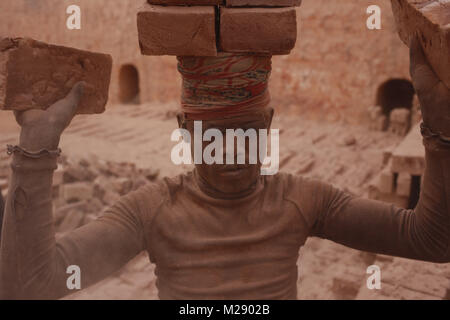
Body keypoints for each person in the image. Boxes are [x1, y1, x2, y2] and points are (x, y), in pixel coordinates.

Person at [0, 37, 449, 300]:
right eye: (213, 133)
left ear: (269, 124)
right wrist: (35, 156)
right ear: (184, 130)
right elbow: (29, 286)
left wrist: (441, 130)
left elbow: (431, 240)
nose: (232, 151)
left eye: (246, 131)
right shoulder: (153, 209)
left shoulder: (303, 200)